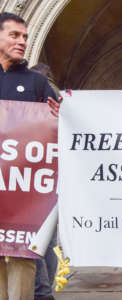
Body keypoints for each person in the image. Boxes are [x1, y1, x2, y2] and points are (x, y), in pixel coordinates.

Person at [0, 12, 60, 300]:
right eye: (14, 35)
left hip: (22, 201)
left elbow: (57, 125)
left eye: (25, 36)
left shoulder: (36, 83)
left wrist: (62, 116)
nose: (22, 41)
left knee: (23, 275)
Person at [30, 63, 60, 300]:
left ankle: (42, 291)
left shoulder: (42, 96)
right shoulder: (56, 96)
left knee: (35, 238)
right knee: (47, 238)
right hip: (49, 178)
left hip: (34, 174)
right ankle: (45, 289)